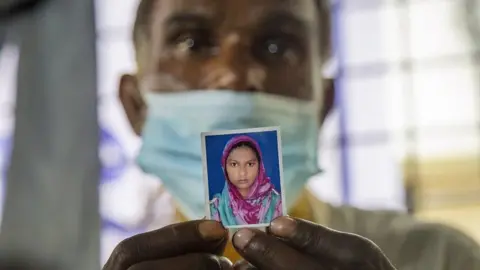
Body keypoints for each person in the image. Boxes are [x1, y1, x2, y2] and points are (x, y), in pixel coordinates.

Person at [104, 0, 480, 269]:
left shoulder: (439, 258)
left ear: (324, 105)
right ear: (136, 104)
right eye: (191, 42)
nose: (234, 76)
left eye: (277, 45)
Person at [210, 135, 282, 226]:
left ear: (260, 167)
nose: (243, 173)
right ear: (224, 168)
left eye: (250, 164)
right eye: (234, 164)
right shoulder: (216, 207)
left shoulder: (276, 202)